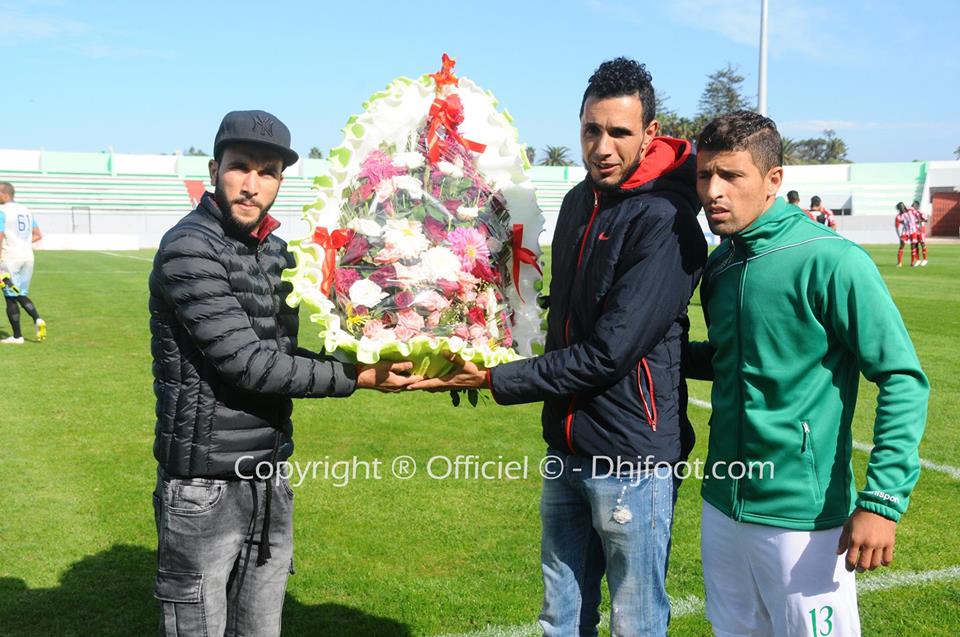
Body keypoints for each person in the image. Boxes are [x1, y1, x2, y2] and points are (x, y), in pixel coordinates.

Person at [411, 58, 707, 636]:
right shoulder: (577, 202)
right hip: (566, 444)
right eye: (591, 130)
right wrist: (477, 342)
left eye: (619, 133)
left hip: (632, 458)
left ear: (650, 134)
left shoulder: (668, 222)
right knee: (560, 618)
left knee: (636, 623)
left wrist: (494, 381)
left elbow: (606, 353)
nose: (602, 146)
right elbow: (559, 323)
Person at [150, 110, 417, 637]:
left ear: (280, 181)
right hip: (203, 488)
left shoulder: (274, 252)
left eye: (267, 171)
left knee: (261, 630)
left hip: (269, 477)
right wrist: (357, 378)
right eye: (240, 167)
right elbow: (248, 364)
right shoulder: (189, 246)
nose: (252, 185)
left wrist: (381, 342)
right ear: (213, 169)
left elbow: (286, 353)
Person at [686, 111, 928, 637]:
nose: (713, 191)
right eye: (705, 176)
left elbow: (902, 378)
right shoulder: (719, 266)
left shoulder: (832, 260)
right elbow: (735, 359)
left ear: (774, 180)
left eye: (731, 175)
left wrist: (883, 500)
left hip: (804, 516)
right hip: (722, 502)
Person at [0, 181, 46, 344]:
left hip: (9, 257)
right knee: (18, 293)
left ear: (5, 194)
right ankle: (20, 334)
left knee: (11, 295)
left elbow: (0, 235)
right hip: (27, 256)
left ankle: (33, 322)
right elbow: (38, 234)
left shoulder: (2, 211)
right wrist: (23, 243)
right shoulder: (26, 210)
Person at [895, 201, 920, 267]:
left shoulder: (911, 210)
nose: (901, 208)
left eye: (902, 207)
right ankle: (899, 263)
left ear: (903, 206)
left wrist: (919, 228)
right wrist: (899, 237)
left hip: (913, 231)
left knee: (913, 246)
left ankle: (912, 263)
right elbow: (897, 227)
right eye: (900, 208)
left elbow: (918, 216)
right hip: (905, 232)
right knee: (902, 244)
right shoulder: (898, 216)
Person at [908, 199, 929, 265]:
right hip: (914, 231)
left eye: (914, 204)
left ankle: (925, 259)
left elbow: (926, 220)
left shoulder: (920, 213)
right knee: (915, 245)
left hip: (921, 230)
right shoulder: (911, 213)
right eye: (912, 204)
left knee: (922, 243)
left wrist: (919, 221)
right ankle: (918, 260)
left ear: (917, 206)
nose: (912, 205)